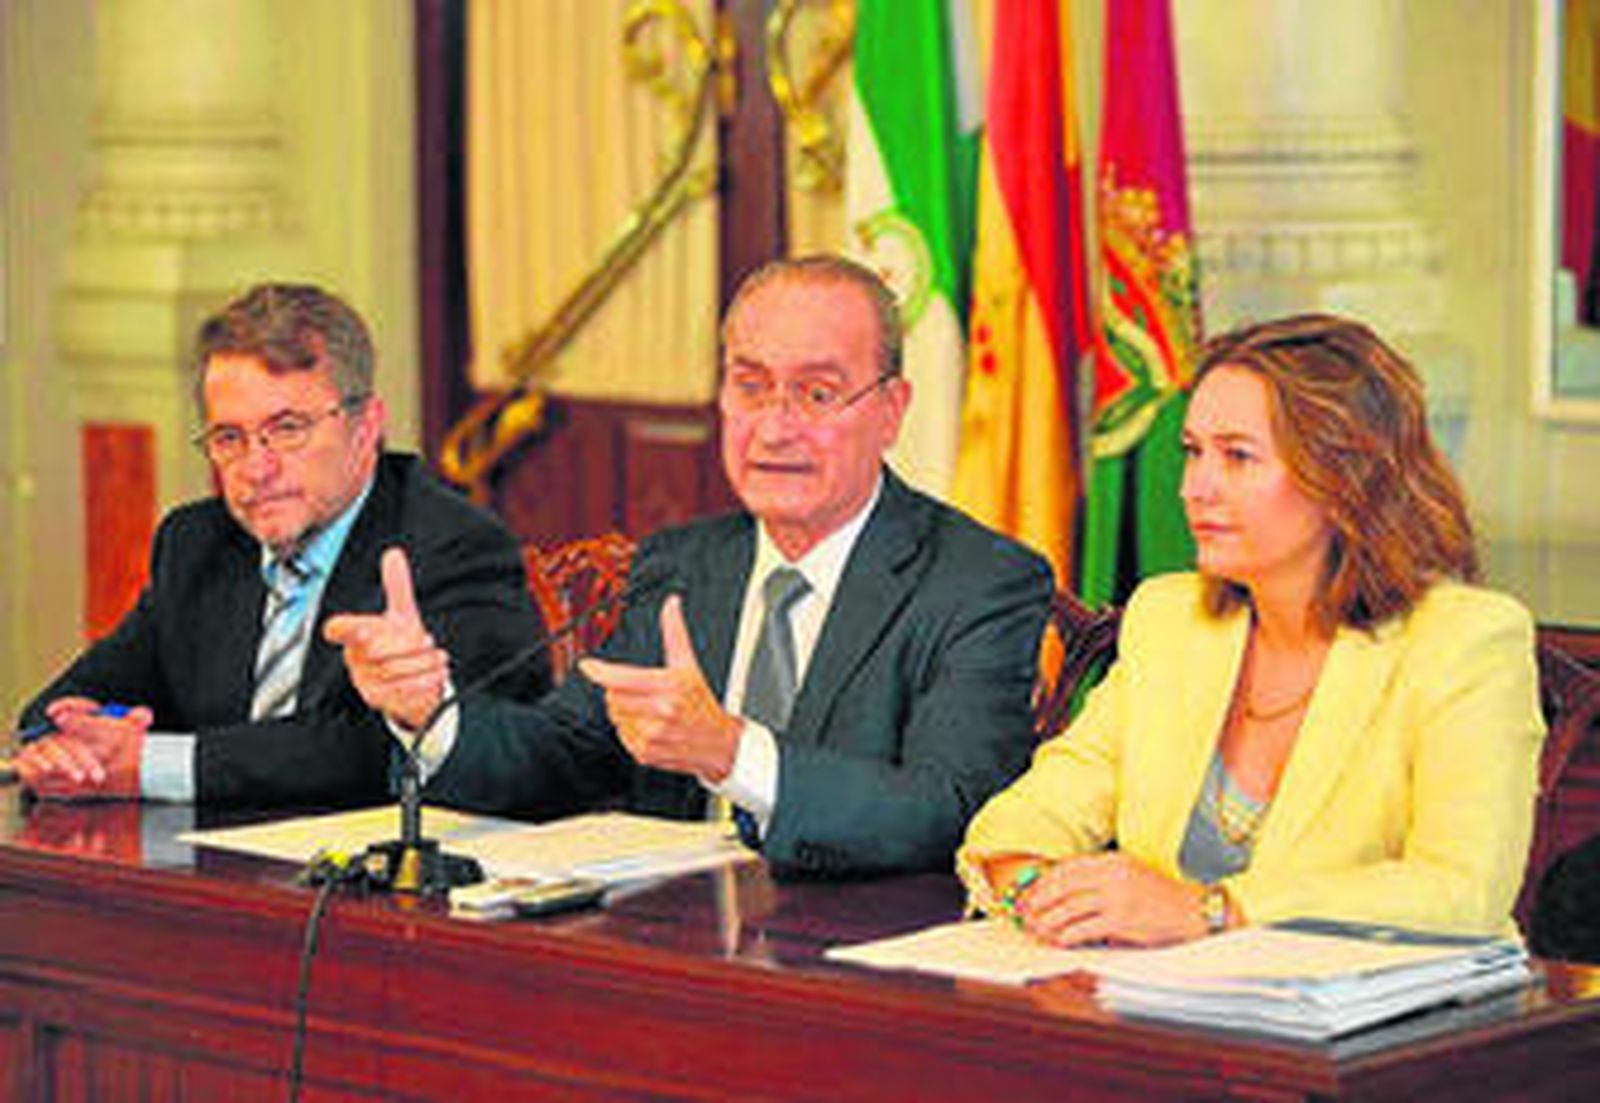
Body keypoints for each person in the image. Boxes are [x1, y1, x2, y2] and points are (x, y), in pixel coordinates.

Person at [328, 255, 1053, 877]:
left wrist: (735, 754)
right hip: (674, 947)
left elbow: (955, 810)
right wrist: (429, 711)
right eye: (751, 385)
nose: (774, 426)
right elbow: (565, 754)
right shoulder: (685, 563)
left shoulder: (978, 581)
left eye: (818, 393)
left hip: (854, 978)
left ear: (891, 410)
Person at [959, 314, 1545, 943]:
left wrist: (1210, 910)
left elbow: (1462, 889)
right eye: (1193, 452)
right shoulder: (1170, 623)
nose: (1194, 487)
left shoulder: (1467, 641)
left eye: (1238, 456)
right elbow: (1024, 820)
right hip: (1165, 1011)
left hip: (1395, 1025)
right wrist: (1037, 896)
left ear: (1345, 476)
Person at [15, 283, 547, 807]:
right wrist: (63, 740)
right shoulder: (198, 542)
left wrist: (148, 766)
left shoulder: (454, 547)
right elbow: (81, 692)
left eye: (287, 429)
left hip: (368, 883)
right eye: (229, 438)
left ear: (366, 428)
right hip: (207, 870)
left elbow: (376, 750)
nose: (255, 469)